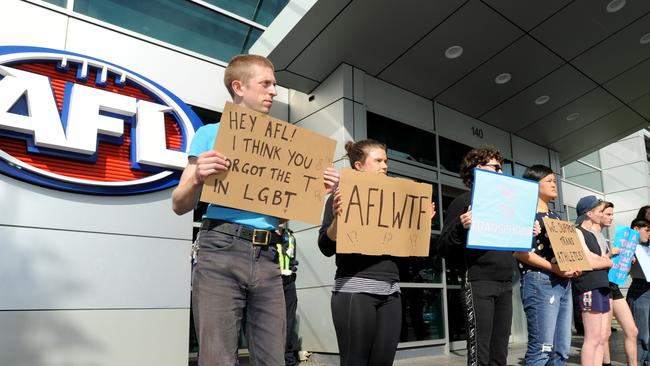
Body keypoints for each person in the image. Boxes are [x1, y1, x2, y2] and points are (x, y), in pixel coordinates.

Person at [171, 54, 339, 365]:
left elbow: (282, 213)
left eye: (274, 85)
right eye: (266, 84)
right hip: (221, 249)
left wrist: (316, 188)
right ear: (239, 87)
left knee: (274, 358)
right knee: (218, 358)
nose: (274, 91)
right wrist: (197, 175)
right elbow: (179, 204)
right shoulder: (209, 133)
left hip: (269, 257)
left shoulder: (283, 144)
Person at [318, 139, 435, 366]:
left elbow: (415, 257)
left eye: (386, 161)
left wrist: (421, 225)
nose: (385, 166)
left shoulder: (397, 203)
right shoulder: (339, 197)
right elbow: (324, 246)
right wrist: (338, 222)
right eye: (378, 161)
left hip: (391, 293)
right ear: (359, 166)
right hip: (355, 292)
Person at [437, 146, 514, 366]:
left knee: (500, 353)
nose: (501, 173)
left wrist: (529, 233)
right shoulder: (462, 202)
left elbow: (515, 246)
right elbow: (443, 247)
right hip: (478, 283)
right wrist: (462, 226)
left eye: (502, 169)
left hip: (505, 283)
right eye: (496, 168)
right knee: (480, 353)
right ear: (478, 169)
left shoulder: (507, 205)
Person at [514, 165, 580, 365]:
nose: (554, 184)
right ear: (534, 185)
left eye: (554, 180)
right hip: (540, 281)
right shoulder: (523, 214)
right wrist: (554, 268)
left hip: (562, 282)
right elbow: (519, 253)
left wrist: (573, 266)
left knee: (560, 350)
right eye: (549, 180)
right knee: (542, 348)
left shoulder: (556, 216)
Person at [596, 201, 638, 366]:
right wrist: (609, 254)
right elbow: (590, 263)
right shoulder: (589, 234)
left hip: (613, 286)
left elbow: (616, 270)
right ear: (597, 213)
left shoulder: (602, 236)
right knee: (604, 333)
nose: (611, 218)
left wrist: (627, 263)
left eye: (612, 214)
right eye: (608, 214)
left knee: (632, 330)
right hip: (601, 287)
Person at [574, 195, 614, 366]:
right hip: (589, 286)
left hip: (602, 285)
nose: (602, 214)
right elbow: (588, 261)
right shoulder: (577, 231)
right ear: (589, 213)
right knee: (592, 338)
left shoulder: (596, 235)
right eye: (599, 211)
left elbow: (600, 260)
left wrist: (602, 261)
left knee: (602, 337)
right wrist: (604, 261)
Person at [627, 218, 650, 366]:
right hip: (640, 288)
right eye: (647, 230)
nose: (649, 234)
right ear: (636, 229)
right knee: (642, 333)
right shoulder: (629, 248)